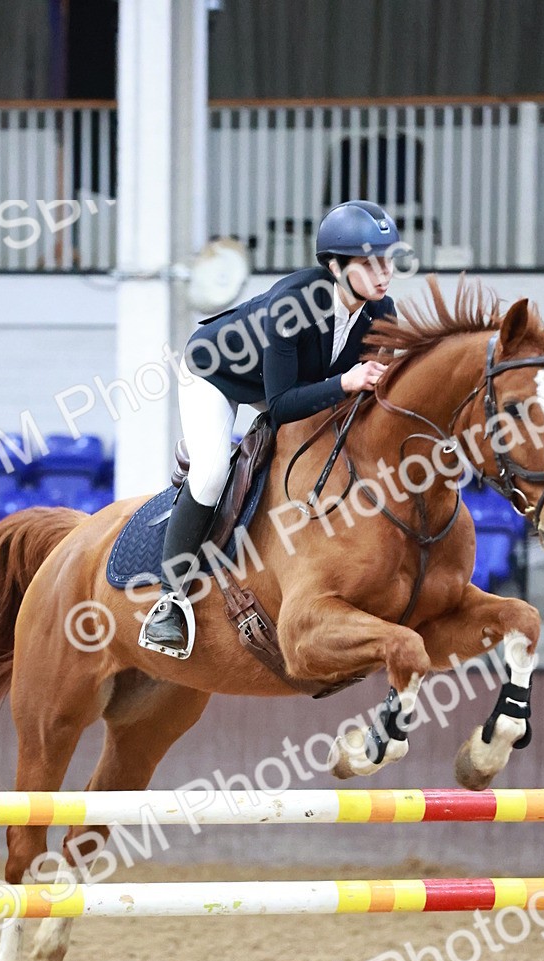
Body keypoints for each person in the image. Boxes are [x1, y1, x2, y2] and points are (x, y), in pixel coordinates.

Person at [141, 199, 402, 657]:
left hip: (289, 380)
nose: (385, 271)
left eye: (389, 258)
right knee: (211, 472)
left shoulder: (381, 313)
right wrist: (344, 382)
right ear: (337, 267)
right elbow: (281, 406)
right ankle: (170, 598)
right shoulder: (292, 303)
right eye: (370, 261)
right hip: (216, 374)